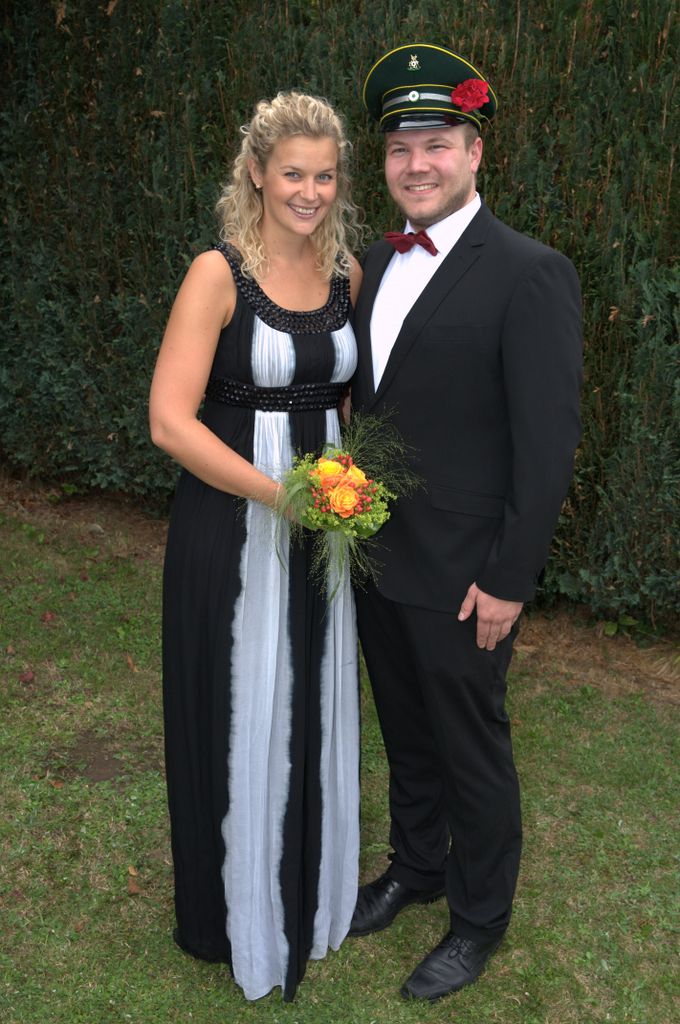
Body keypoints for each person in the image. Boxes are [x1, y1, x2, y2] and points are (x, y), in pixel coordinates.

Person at [349, 44, 582, 1002]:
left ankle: (480, 918)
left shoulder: (530, 272)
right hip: (374, 556)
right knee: (406, 733)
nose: (417, 165)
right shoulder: (372, 261)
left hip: (464, 573)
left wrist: (509, 579)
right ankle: (417, 866)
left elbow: (546, 445)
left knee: (469, 748)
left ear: (475, 153)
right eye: (400, 148)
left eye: (436, 145)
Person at [149, 91, 363, 1003]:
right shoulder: (217, 274)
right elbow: (169, 421)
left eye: (325, 176)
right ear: (256, 172)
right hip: (235, 527)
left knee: (313, 695)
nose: (309, 192)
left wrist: (346, 493)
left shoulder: (346, 272)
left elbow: (344, 401)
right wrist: (285, 498)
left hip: (325, 530)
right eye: (293, 174)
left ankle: (309, 894)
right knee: (241, 701)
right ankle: (232, 912)